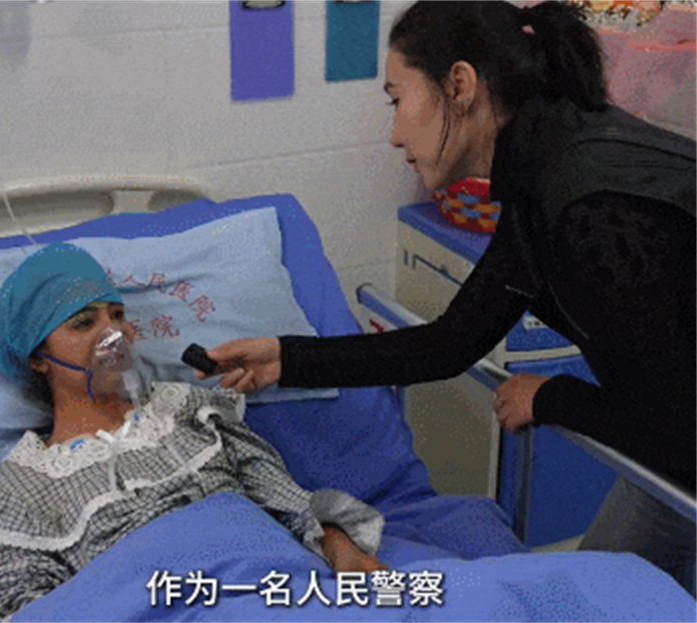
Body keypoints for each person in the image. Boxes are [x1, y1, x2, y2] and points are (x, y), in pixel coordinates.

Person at [198, 1, 696, 593]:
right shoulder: (546, 167)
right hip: (671, 444)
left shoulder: (590, 208)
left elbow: (678, 432)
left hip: (680, 441)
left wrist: (552, 397)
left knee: (597, 594)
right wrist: (286, 358)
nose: (393, 134)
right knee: (600, 591)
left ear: (459, 85)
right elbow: (449, 343)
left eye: (397, 99)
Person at [0, 242, 387, 622]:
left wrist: (339, 548)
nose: (114, 334)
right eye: (84, 323)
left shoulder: (190, 410)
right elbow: (20, 608)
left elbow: (281, 498)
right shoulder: (24, 490)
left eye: (118, 316)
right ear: (37, 358)